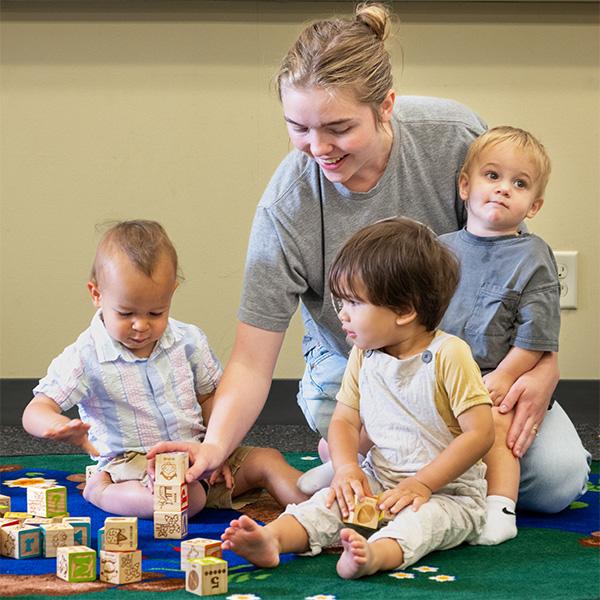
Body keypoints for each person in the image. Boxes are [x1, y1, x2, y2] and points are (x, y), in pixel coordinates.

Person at [147, 3, 589, 516]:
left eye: (338, 128)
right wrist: (214, 448)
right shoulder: (287, 206)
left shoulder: (454, 137)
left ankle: (364, 467)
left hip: (467, 360)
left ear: (386, 106)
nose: (318, 148)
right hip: (357, 360)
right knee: (417, 468)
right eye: (298, 127)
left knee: (554, 482)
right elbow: (250, 360)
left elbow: (517, 269)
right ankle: (364, 463)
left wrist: (543, 367)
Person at [221, 217, 494, 579]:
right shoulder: (365, 354)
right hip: (379, 480)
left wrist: (423, 483)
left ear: (405, 310)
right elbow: (345, 420)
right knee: (326, 503)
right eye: (340, 301)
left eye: (353, 302)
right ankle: (273, 539)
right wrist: (348, 468)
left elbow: (480, 434)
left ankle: (376, 555)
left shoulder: (450, 354)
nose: (342, 314)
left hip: (449, 493)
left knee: (422, 523)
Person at [22, 220, 307, 518]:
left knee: (268, 460)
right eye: (126, 313)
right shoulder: (85, 355)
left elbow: (210, 397)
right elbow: (35, 409)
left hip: (198, 454)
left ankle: (321, 510)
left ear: (172, 292)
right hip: (132, 467)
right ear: (97, 294)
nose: (141, 325)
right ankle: (101, 490)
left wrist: (218, 448)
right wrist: (55, 426)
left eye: (155, 312)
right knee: (185, 499)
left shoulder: (189, 341)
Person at [439, 127, 590, 544]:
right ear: (465, 185)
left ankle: (499, 508)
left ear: (534, 204)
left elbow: (535, 338)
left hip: (500, 376)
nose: (504, 189)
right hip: (438, 376)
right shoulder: (438, 249)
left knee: (496, 422)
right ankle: (350, 467)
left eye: (519, 183)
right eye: (493, 176)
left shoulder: (533, 257)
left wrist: (504, 377)